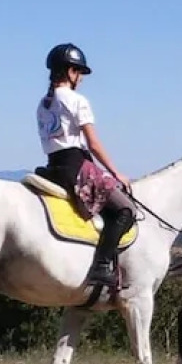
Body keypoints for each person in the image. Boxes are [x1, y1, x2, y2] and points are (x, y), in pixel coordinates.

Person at [37, 43, 136, 290]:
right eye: (79, 73)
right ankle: (102, 265)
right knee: (125, 209)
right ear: (70, 72)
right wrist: (116, 173)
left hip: (53, 167)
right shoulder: (76, 100)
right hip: (76, 167)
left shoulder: (43, 104)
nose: (81, 78)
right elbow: (93, 144)